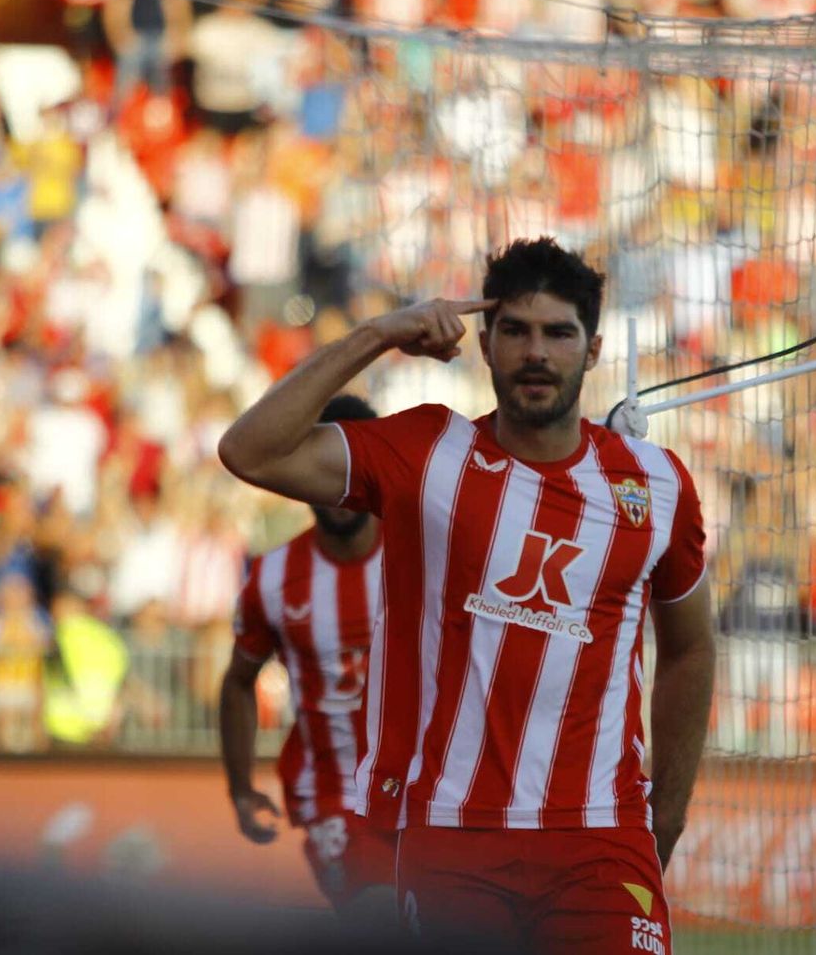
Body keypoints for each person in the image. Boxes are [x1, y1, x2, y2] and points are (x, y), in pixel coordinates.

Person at [219, 238, 715, 953]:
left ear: (595, 347)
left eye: (557, 332)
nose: (535, 352)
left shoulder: (656, 484)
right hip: (451, 836)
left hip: (602, 839)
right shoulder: (427, 453)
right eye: (514, 330)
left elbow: (691, 647)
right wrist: (379, 334)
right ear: (484, 343)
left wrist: (662, 819)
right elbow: (249, 450)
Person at [217, 394, 397, 922]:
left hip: (429, 791)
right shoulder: (272, 579)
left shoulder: (425, 552)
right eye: (323, 468)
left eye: (349, 468)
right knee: (381, 919)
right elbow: (237, 681)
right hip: (331, 795)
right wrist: (240, 789)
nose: (337, 490)